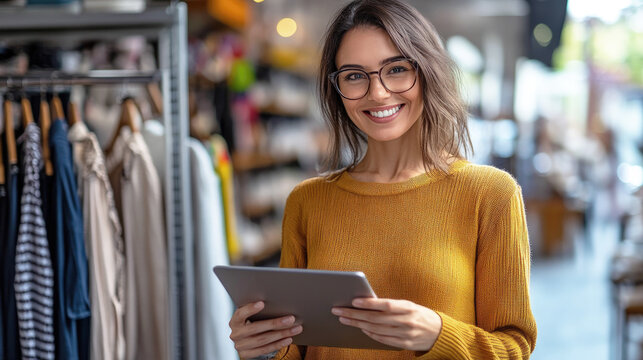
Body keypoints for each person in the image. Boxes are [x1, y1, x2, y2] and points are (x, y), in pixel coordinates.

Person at [228, 0, 537, 358]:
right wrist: (263, 347)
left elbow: (515, 347)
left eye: (396, 69)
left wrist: (437, 335)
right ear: (337, 89)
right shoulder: (307, 201)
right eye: (355, 75)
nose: (377, 92)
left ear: (427, 71)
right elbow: (297, 349)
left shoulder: (491, 195)